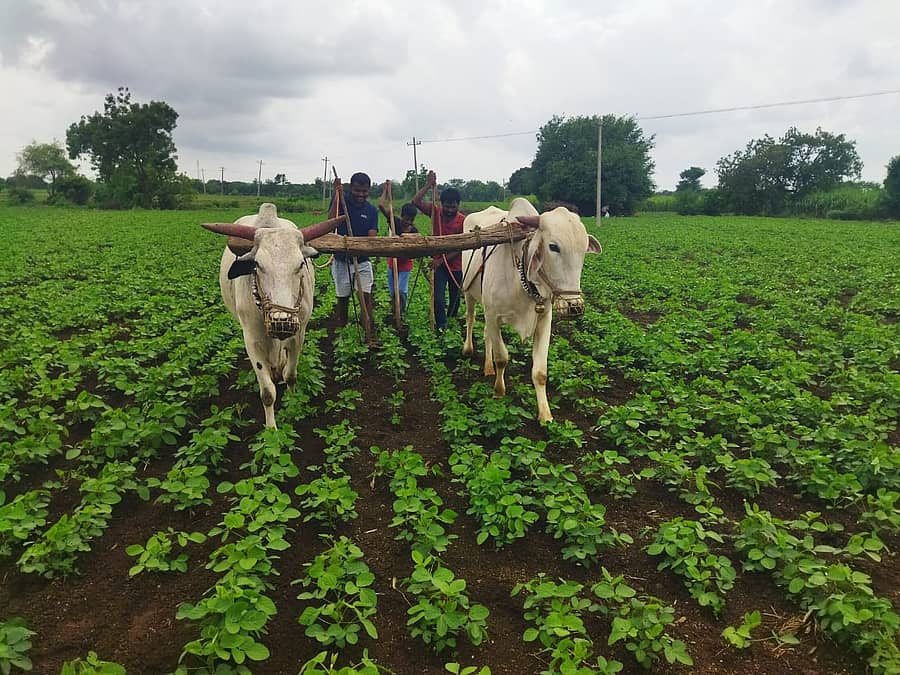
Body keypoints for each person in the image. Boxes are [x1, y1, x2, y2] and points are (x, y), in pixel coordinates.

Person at [328, 172, 379, 345]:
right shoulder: (342, 203)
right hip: (341, 260)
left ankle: (369, 335)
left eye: (364, 191)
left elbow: (372, 236)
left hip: (363, 261)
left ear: (368, 190)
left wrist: (360, 246)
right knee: (343, 299)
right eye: (357, 190)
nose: (361, 195)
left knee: (365, 298)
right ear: (351, 188)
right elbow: (330, 221)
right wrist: (337, 194)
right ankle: (342, 332)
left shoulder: (371, 210)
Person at [412, 170, 466, 331]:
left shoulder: (462, 220)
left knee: (455, 298)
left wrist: (441, 260)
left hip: (455, 264)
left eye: (453, 205)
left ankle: (452, 321)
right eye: (447, 205)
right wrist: (428, 185)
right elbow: (415, 201)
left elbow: (460, 247)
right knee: (439, 299)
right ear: (442, 204)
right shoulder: (436, 212)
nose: (450, 209)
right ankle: (441, 326)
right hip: (439, 266)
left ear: (458, 204)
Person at [378, 186, 419, 318]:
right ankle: (394, 310)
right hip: (392, 263)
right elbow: (380, 205)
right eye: (406, 219)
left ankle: (401, 311)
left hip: (405, 265)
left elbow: (418, 247)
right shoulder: (394, 222)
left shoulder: (414, 231)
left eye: (411, 220)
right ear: (402, 216)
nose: (408, 222)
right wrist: (386, 189)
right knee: (392, 292)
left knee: (401, 290)